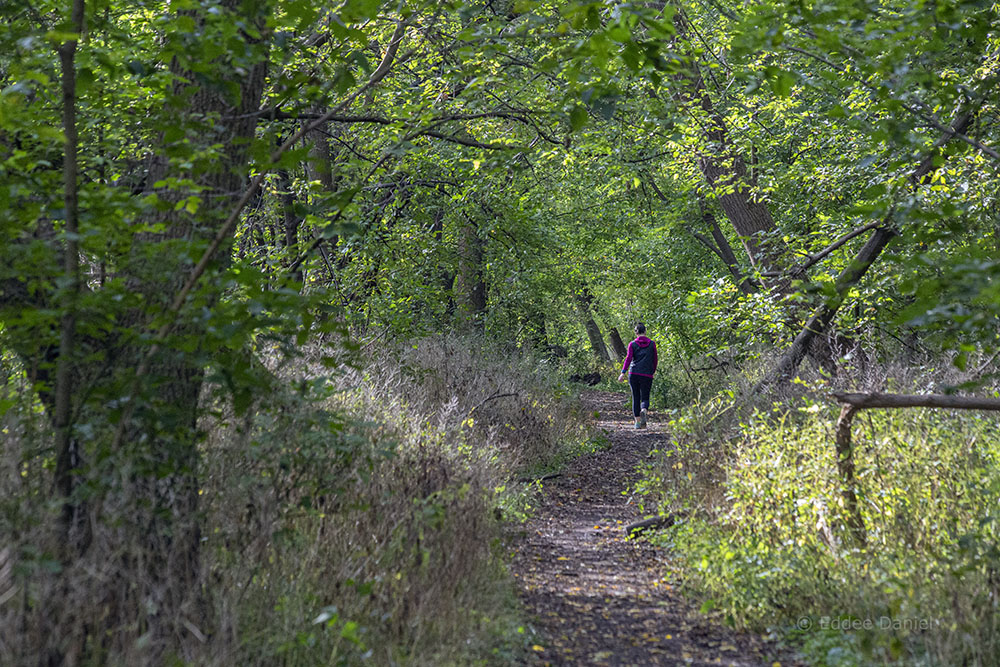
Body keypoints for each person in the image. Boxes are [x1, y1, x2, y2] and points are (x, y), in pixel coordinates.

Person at [617, 323, 657, 428]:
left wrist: (623, 372)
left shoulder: (632, 344)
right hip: (647, 374)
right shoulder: (652, 344)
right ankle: (644, 410)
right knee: (645, 397)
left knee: (636, 397)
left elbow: (628, 358)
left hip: (634, 373)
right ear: (645, 331)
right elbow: (655, 359)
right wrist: (652, 371)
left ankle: (638, 423)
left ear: (636, 333)